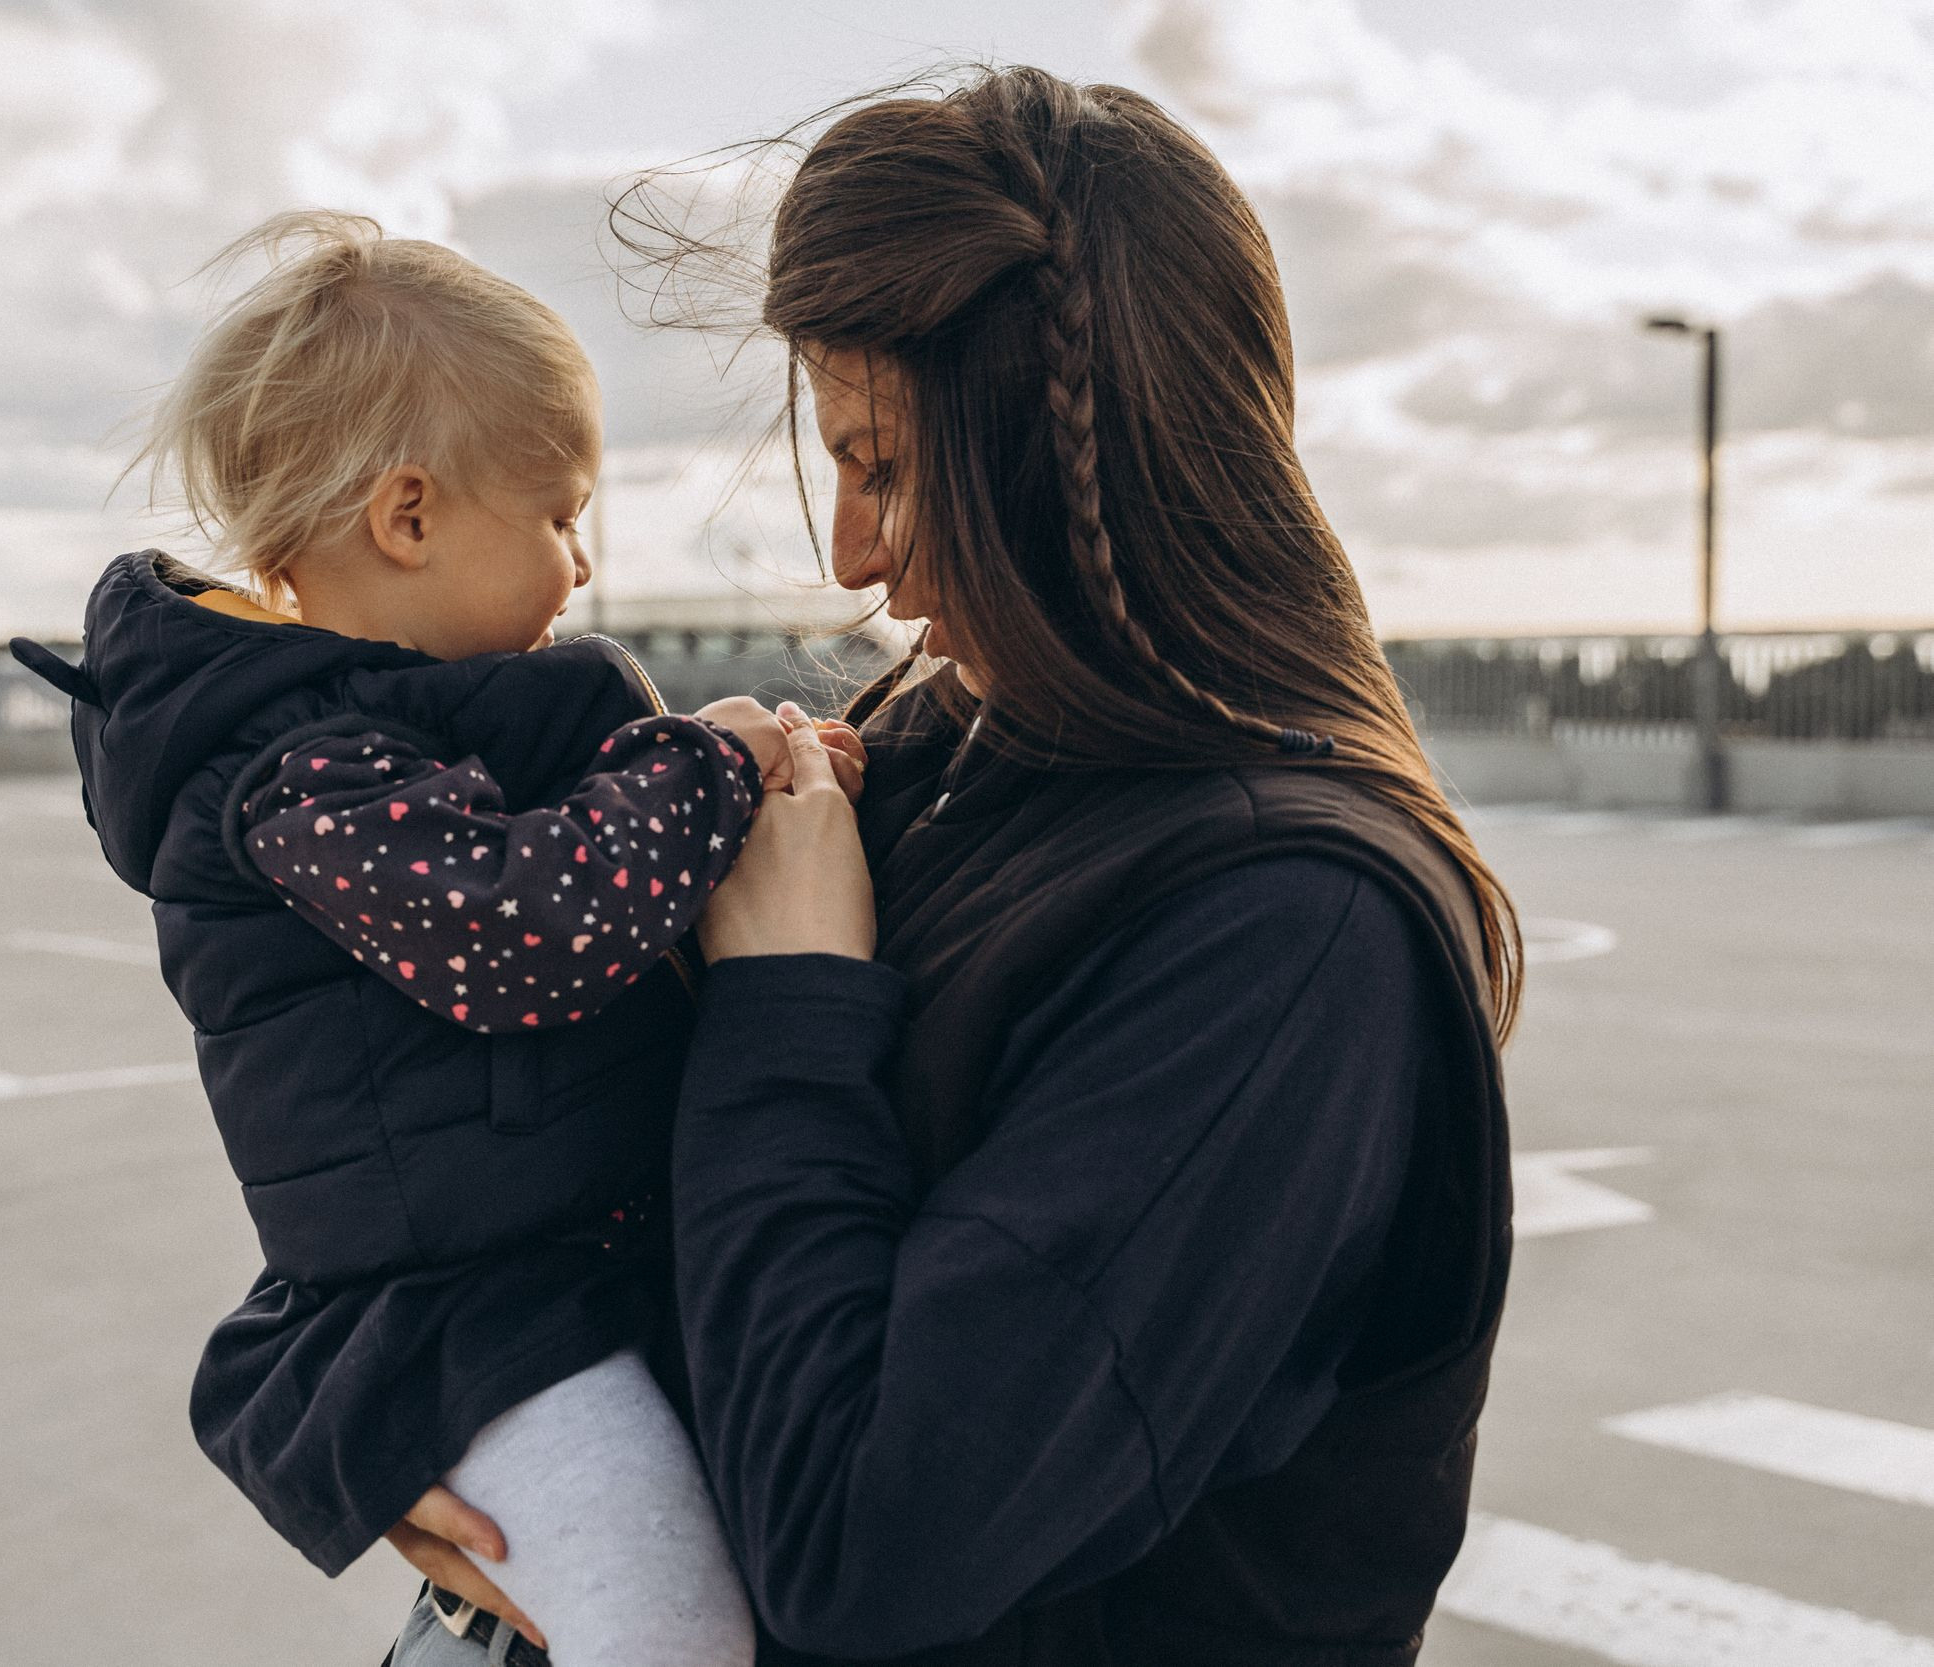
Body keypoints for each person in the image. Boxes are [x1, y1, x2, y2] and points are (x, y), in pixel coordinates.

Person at [339, 68, 1524, 1665]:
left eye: (887, 467)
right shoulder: (936, 761)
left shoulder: (1292, 933)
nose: (851, 554)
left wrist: (787, 996)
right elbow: (564, 1201)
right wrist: (410, 1411)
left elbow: (857, 1546)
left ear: (1068, 460)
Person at [15, 211, 850, 1667]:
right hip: (474, 1330)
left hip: (544, 1284)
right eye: (558, 516)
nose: (580, 567)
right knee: (672, 1628)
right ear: (409, 518)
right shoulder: (303, 779)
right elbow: (528, 932)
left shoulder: (393, 745)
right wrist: (698, 771)